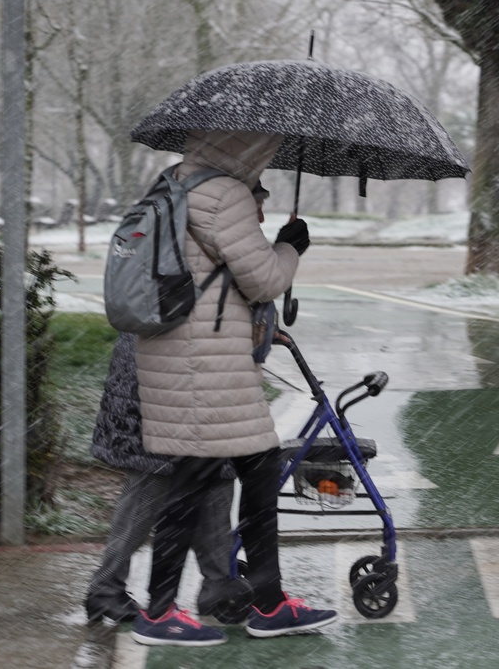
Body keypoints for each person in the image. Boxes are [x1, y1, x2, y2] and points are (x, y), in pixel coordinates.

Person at [130, 128, 334, 648]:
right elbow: (263, 280)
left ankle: (267, 602)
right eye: (264, 149)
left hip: (179, 354)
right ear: (246, 148)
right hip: (204, 365)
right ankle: (159, 613)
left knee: (259, 465)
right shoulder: (226, 194)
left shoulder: (174, 183)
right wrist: (290, 248)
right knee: (191, 487)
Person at [83, 332, 237, 623]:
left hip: (189, 368)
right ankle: (105, 587)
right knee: (152, 481)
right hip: (167, 369)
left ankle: (219, 585)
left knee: (216, 474)